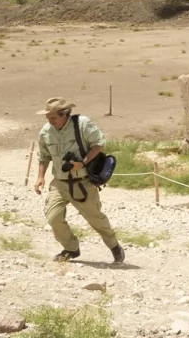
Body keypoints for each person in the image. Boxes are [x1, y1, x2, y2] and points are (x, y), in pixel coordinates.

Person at [33, 97, 125, 264]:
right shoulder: (46, 131)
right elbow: (44, 156)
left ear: (64, 114)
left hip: (83, 183)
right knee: (53, 217)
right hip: (60, 183)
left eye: (53, 117)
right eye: (48, 117)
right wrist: (40, 177)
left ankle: (114, 246)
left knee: (96, 219)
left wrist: (82, 163)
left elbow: (99, 144)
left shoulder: (82, 124)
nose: (50, 121)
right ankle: (71, 249)